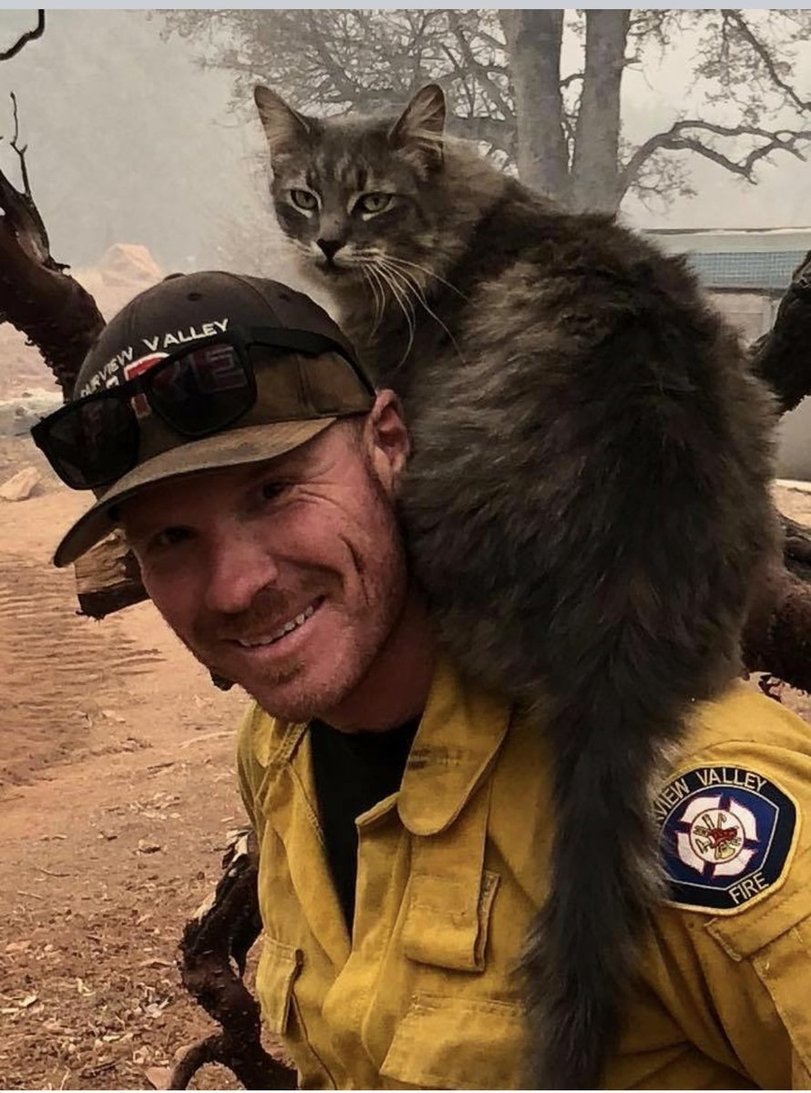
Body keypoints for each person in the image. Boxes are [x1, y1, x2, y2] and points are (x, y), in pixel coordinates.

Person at [35, 270, 811, 1089]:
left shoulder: (673, 793)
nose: (233, 587)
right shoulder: (278, 752)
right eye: (169, 539)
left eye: (273, 491)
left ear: (388, 442)